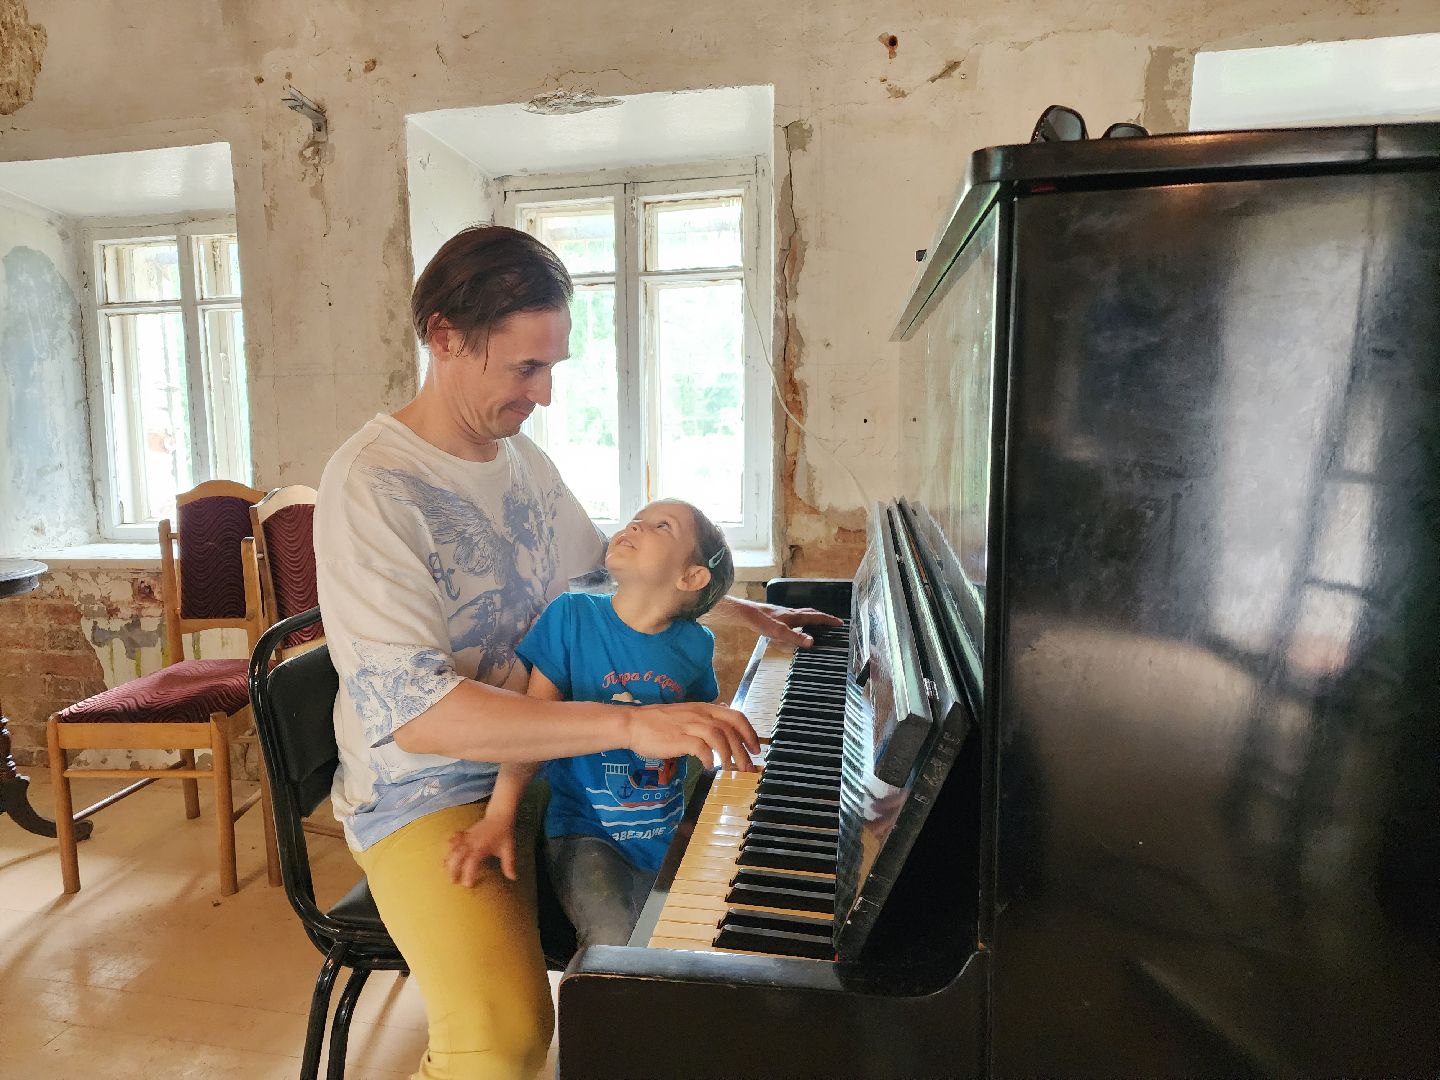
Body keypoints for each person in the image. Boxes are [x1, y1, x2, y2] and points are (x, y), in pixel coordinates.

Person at [314, 224, 839, 1080]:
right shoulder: (371, 484)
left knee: (699, 933)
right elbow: (420, 717)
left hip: (552, 763)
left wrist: (729, 604)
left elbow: (606, 576)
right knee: (504, 1040)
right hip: (431, 792)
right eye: (527, 369)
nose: (546, 395)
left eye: (553, 367)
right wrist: (630, 729)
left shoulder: (520, 458)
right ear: (445, 338)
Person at [444, 498, 736, 949]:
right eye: (635, 518)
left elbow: (698, 730)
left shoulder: (696, 645)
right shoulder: (572, 616)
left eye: (660, 526)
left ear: (692, 577)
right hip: (586, 831)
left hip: (664, 828)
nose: (634, 525)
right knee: (614, 939)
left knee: (688, 940)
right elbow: (531, 730)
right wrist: (499, 816)